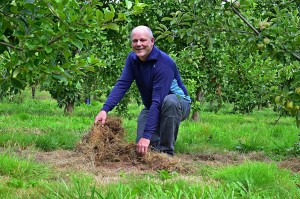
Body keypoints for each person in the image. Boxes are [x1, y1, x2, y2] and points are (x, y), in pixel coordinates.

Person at [94, 25, 191, 156]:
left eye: (143, 40)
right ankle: (155, 148)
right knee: (141, 150)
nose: (138, 44)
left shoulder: (163, 63)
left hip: (178, 104)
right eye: (135, 41)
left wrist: (147, 135)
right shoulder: (132, 59)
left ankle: (167, 152)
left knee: (170, 101)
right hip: (153, 106)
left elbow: (158, 100)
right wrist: (105, 109)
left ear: (152, 41)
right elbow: (122, 85)